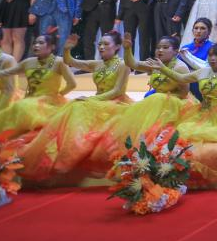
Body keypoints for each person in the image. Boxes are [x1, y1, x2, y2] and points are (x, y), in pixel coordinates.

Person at [17, 32, 131, 181]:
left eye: (106, 44)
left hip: (115, 102)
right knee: (73, 108)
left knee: (77, 107)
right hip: (98, 102)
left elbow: (117, 91)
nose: (102, 47)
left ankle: (74, 154)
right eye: (100, 44)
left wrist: (92, 99)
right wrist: (67, 49)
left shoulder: (123, 64)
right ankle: (68, 153)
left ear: (117, 46)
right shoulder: (97, 64)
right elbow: (70, 61)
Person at [147, 43, 217, 188]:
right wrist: (163, 68)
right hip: (204, 113)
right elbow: (181, 78)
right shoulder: (203, 71)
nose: (212, 58)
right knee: (181, 133)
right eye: (210, 55)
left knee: (212, 145)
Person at [101, 35, 195, 165]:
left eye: (165, 47)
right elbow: (132, 64)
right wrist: (127, 49)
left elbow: (184, 93)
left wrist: (164, 98)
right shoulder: (154, 64)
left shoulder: (180, 67)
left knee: (156, 102)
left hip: (176, 103)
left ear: (175, 51)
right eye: (158, 47)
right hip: (157, 101)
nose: (160, 50)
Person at [0, 34, 75, 137]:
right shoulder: (28, 62)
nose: (36, 45)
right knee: (13, 112)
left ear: (52, 47)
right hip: (30, 99)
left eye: (41, 43)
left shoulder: (59, 62)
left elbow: (72, 84)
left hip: (48, 101)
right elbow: (0, 74)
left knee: (22, 107)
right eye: (35, 43)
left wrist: (59, 94)